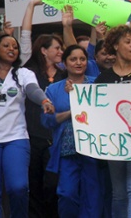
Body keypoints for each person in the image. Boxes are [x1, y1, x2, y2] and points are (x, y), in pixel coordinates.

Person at [41, 45, 103, 218]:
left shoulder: (96, 83)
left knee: (93, 197)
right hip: (67, 151)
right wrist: (71, 110)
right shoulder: (53, 90)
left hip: (93, 150)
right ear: (65, 63)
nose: (78, 62)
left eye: (82, 59)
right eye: (73, 59)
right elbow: (46, 121)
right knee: (67, 194)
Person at [0, 34, 54, 217]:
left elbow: (32, 90)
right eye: (6, 45)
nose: (11, 49)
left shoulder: (23, 73)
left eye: (14, 46)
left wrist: (44, 100)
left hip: (16, 138)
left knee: (18, 187)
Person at [95, 25, 131, 218]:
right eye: (127, 41)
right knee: (119, 192)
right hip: (113, 143)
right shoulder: (103, 79)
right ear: (115, 46)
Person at [24, 34, 64, 218]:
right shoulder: (29, 73)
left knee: (52, 185)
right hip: (33, 136)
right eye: (57, 48)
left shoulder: (65, 75)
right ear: (43, 50)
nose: (61, 51)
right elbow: (24, 40)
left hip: (56, 139)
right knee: (33, 183)